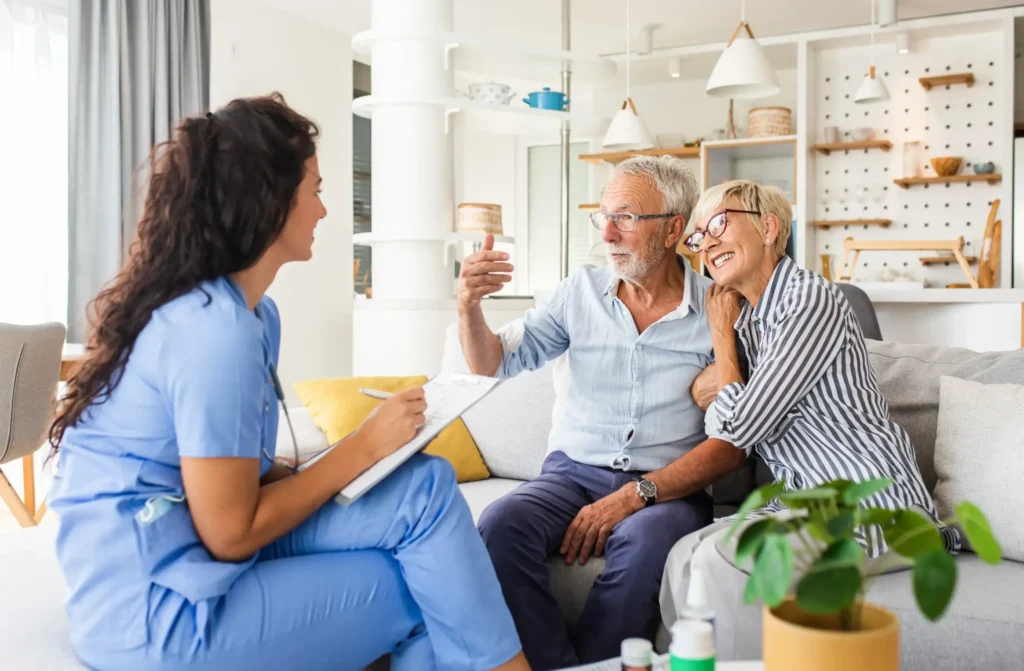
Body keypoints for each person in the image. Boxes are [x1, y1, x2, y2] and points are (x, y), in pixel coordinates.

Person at [46, 93, 530, 671]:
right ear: (271, 201)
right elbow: (230, 531)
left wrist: (364, 458)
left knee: (423, 486)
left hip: (193, 547)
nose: (325, 211)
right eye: (317, 190)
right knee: (437, 588)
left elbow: (240, 471)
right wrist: (362, 446)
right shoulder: (209, 331)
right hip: (158, 607)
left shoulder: (252, 315)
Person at [456, 155, 743, 670]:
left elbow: (734, 440)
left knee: (647, 544)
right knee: (500, 524)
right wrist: (468, 307)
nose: (608, 233)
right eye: (603, 216)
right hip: (569, 475)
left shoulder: (719, 309)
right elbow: (492, 362)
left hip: (667, 486)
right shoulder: (578, 293)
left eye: (627, 217)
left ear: (674, 228)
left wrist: (639, 494)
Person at [658, 180, 960, 660]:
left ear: (769, 228)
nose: (706, 243)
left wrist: (720, 341)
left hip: (876, 507)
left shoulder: (807, 301)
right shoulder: (752, 321)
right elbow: (722, 407)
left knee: (719, 564)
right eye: (697, 237)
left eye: (718, 223)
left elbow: (737, 428)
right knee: (682, 556)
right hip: (808, 505)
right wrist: (717, 378)